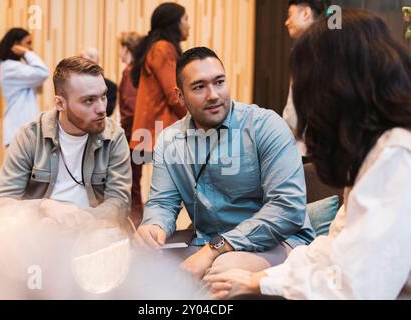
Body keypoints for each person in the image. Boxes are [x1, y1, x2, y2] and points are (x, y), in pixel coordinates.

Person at [205, 10, 411, 300]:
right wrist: (259, 278)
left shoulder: (395, 156)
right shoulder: (374, 152)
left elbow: (358, 289)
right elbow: (335, 245)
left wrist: (260, 282)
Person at [134, 47, 315, 282]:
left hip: (280, 241)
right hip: (207, 243)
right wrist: (154, 227)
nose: (213, 95)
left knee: (222, 269)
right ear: (180, 96)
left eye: (219, 82)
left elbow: (287, 208)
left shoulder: (265, 126)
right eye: (199, 87)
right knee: (136, 263)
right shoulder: (169, 140)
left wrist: (215, 249)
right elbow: (163, 203)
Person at [0, 56, 131, 230]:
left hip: (92, 233)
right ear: (60, 103)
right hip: (39, 234)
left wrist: (80, 220)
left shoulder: (114, 137)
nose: (102, 108)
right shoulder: (31, 135)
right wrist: (43, 207)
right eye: (89, 100)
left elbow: (119, 203)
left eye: (103, 96)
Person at [130, 2, 189, 154]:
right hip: (162, 128)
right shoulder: (163, 48)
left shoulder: (159, 46)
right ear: (174, 23)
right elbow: (174, 95)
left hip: (159, 128)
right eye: (186, 19)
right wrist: (195, 118)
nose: (189, 25)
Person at [0, 28, 49, 147]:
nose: (31, 48)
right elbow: (43, 72)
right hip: (19, 131)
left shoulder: (15, 67)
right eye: (28, 43)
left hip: (22, 131)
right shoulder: (11, 68)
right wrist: (26, 53)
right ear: (16, 45)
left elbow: (39, 83)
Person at [283, 0, 325, 156]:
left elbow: (293, 110)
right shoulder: (333, 45)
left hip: (304, 147)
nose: (287, 22)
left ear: (306, 13)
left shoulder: (305, 50)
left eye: (290, 15)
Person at [118, 32, 144, 226]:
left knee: (131, 185)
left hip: (132, 135)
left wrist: (123, 136)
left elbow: (130, 109)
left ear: (126, 48)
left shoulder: (130, 72)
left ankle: (134, 226)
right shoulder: (140, 71)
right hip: (139, 135)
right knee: (134, 184)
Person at [80, 48, 117, 117]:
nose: (79, 62)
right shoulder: (76, 84)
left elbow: (108, 110)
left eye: (82, 58)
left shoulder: (110, 86)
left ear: (94, 60)